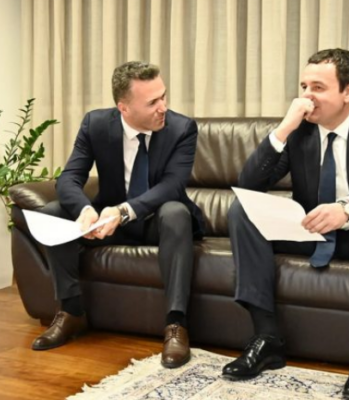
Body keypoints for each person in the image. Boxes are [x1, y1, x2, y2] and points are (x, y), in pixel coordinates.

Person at [221, 49, 349, 399]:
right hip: (315, 232)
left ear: (348, 91)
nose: (307, 96)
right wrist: (284, 129)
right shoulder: (301, 129)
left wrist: (347, 208)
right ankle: (267, 338)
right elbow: (249, 185)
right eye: (304, 86)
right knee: (242, 210)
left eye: (318, 87)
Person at [31, 61, 205, 369]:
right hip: (109, 222)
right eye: (152, 102)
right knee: (53, 211)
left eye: (163, 96)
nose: (163, 107)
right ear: (123, 108)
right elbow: (69, 178)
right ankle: (71, 312)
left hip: (157, 222)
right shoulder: (96, 124)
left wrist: (123, 212)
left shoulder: (181, 129)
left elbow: (172, 186)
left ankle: (176, 324)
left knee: (176, 212)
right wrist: (86, 211)